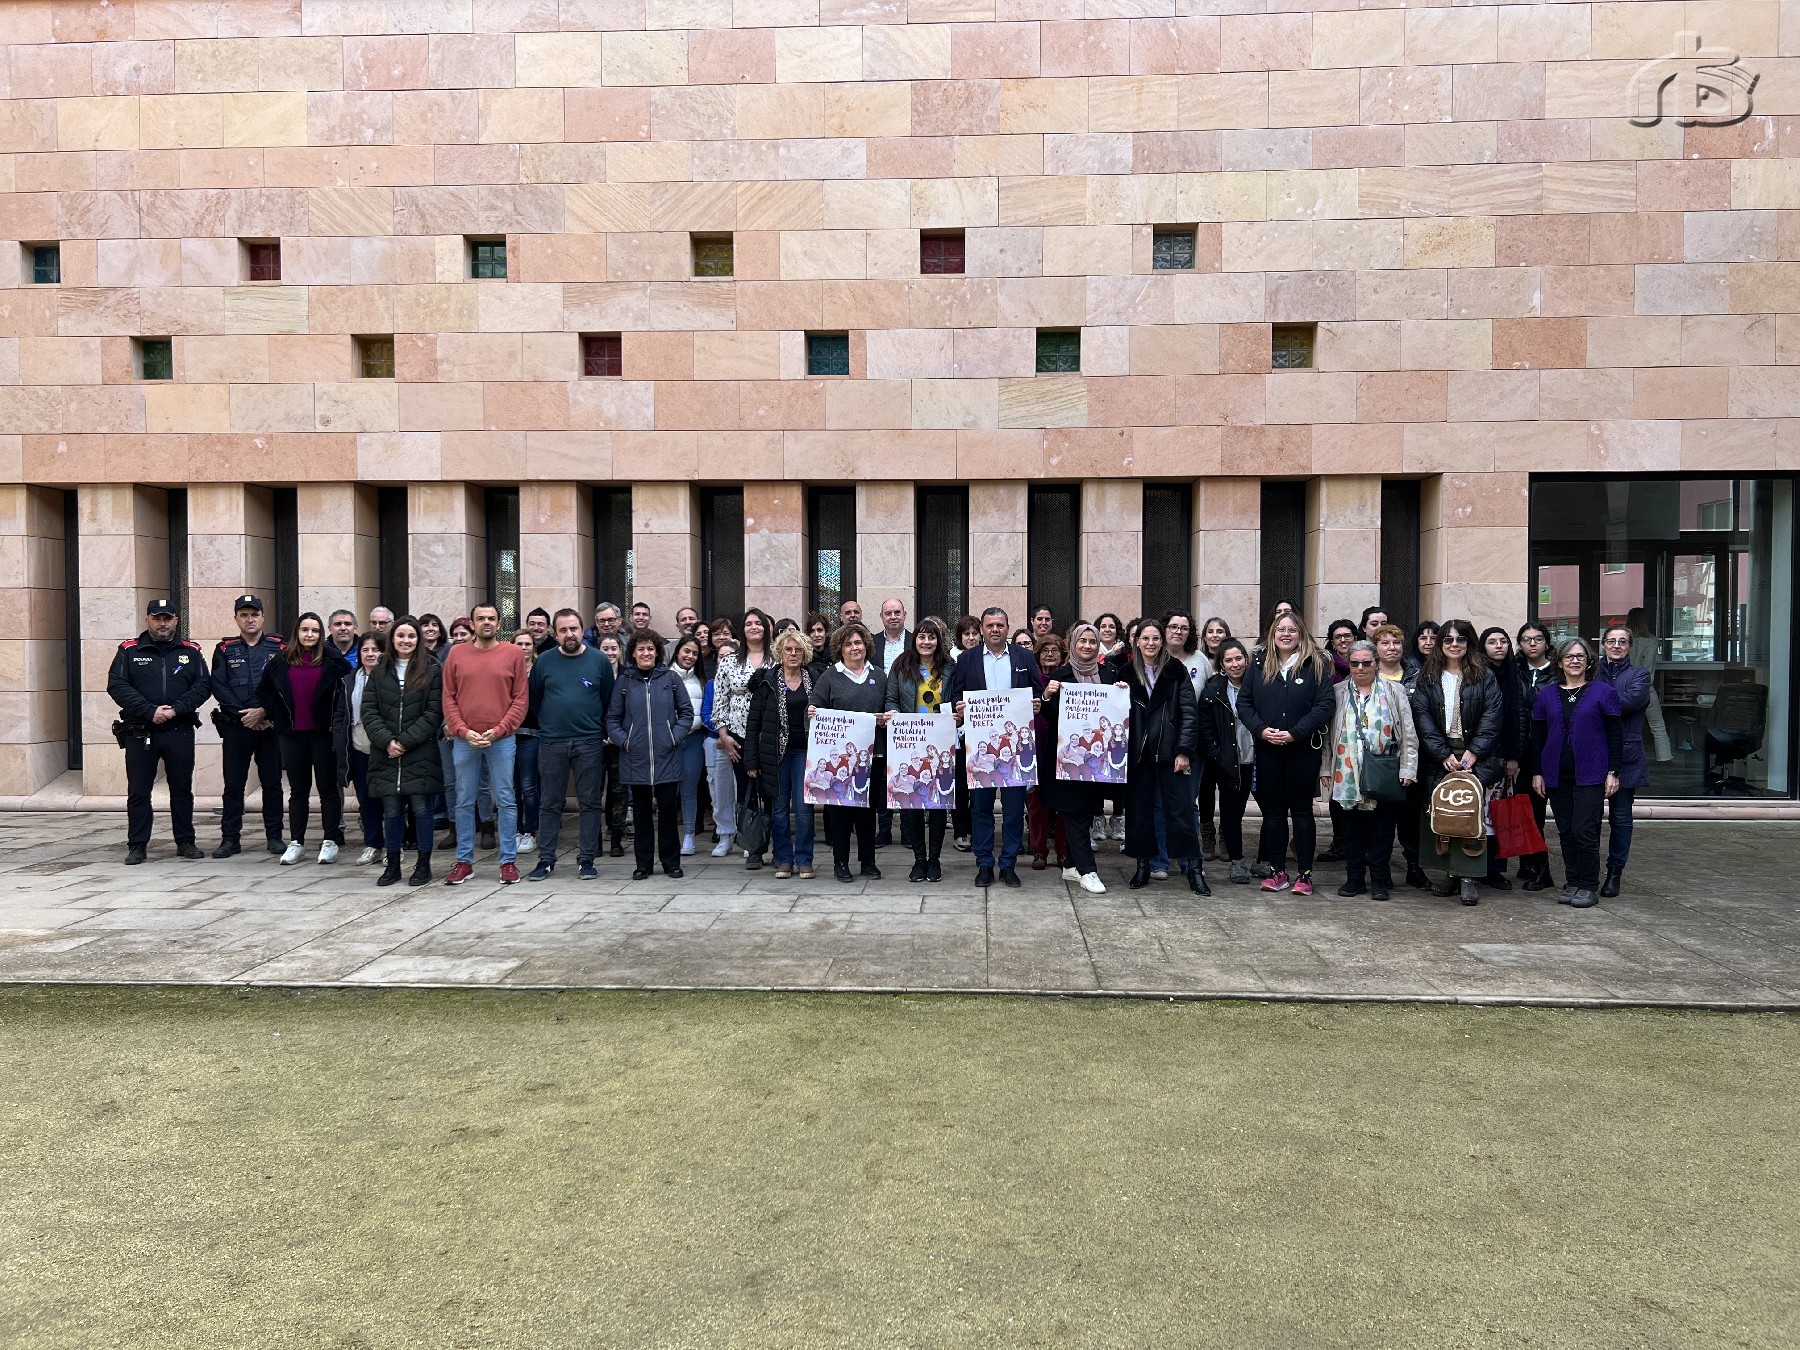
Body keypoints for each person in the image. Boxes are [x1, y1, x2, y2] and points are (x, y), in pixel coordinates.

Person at [1235, 611, 1335, 895]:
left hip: (1302, 750)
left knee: (1302, 812)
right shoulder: (1259, 663)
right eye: (1281, 629)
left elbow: (1325, 705)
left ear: (1301, 633)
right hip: (1268, 749)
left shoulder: (1315, 664)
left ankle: (1305, 874)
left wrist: (1296, 732)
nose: (1286, 634)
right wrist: (1261, 730)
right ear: (1273, 634)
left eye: (1292, 629)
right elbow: (1244, 703)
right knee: (1273, 812)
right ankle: (1277, 871)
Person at [108, 598, 211, 864]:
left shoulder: (191, 651)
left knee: (182, 789)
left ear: (176, 620)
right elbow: (117, 685)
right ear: (147, 620)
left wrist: (176, 709)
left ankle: (185, 841)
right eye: (157, 618)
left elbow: (203, 686)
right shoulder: (129, 651)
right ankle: (137, 845)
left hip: (179, 729)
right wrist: (149, 710)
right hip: (141, 731)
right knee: (139, 791)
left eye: (167, 618)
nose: (162, 624)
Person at [1410, 618, 1504, 906]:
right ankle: (1450, 874)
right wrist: (1442, 754)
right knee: (1443, 813)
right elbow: (1422, 717)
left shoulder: (1484, 675)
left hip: (1475, 753)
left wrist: (1474, 752)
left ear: (1469, 642)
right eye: (1448, 639)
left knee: (1469, 814)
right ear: (1440, 644)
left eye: (1460, 639)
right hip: (1439, 755)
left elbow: (1492, 714)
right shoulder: (1427, 676)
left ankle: (1469, 878)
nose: (1454, 644)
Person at [947, 607, 1042, 888]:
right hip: (981, 748)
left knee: (1013, 810)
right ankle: (984, 864)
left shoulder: (1024, 657)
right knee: (981, 808)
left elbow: (1036, 691)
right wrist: (959, 707)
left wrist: (1037, 703)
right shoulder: (967, 659)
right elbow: (956, 694)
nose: (995, 630)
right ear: (982, 629)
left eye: (1000, 625)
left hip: (1014, 749)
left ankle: (1009, 864)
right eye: (990, 625)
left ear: (1008, 628)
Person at [1321, 640, 1419, 900]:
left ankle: (1379, 879)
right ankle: (1354, 879)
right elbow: (1327, 735)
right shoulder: (1338, 691)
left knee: (1382, 830)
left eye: (1366, 662)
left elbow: (1408, 732)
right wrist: (1325, 768)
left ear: (1376, 663)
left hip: (1384, 771)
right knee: (1351, 829)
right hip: (1346, 772)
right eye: (1355, 663)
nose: (1361, 668)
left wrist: (1408, 769)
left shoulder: (1394, 690)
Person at [1529, 637, 1622, 909]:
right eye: (1569, 656)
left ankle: (1588, 885)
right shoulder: (1545, 695)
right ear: (1559, 662)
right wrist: (1537, 772)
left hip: (1592, 773)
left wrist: (1613, 771)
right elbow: (1538, 738)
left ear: (1589, 661)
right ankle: (1572, 882)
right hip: (1556, 774)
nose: (1575, 661)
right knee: (1566, 830)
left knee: (1584, 830)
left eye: (1580, 656)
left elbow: (1616, 736)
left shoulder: (1604, 692)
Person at [440, 602, 530, 886]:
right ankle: (464, 862)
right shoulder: (456, 654)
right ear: (472, 624)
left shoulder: (513, 653)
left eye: (491, 618)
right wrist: (463, 731)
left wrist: (500, 730)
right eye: (481, 618)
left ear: (499, 623)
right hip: (465, 740)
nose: (486, 622)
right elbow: (449, 697)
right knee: (464, 800)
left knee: (505, 799)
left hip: (501, 739)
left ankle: (508, 861)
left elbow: (520, 698)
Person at [257, 611, 352, 866]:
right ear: (297, 633)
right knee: (298, 791)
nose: (310, 635)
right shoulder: (280, 661)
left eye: (315, 630)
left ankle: (330, 840)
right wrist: (276, 713)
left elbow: (347, 684)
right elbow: (263, 690)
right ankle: (296, 842)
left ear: (321, 634)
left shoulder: (333, 660)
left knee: (328, 789)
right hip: (292, 735)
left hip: (323, 734)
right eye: (305, 630)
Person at [1121, 619, 1207, 895]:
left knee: (1182, 812)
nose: (1150, 643)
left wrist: (1184, 750)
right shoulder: (1125, 673)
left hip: (1171, 752)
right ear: (1137, 642)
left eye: (1155, 638)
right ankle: (1143, 866)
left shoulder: (1175, 670)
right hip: (1138, 755)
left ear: (1162, 641)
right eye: (1145, 638)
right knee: (1140, 813)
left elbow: (1189, 713)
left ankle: (1194, 869)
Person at [526, 609, 613, 882]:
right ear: (555, 633)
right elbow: (535, 698)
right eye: (563, 630)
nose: (569, 634)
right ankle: (546, 859)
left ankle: (586, 859)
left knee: (590, 802)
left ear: (582, 629)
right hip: (552, 742)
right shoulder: (544, 662)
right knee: (550, 802)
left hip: (589, 742)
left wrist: (601, 731)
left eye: (574, 628)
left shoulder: (599, 660)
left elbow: (608, 699)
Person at [360, 617, 444, 887]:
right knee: (392, 812)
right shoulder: (379, 670)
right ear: (392, 639)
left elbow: (434, 712)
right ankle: (393, 864)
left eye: (411, 636)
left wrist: (405, 742)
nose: (405, 641)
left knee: (422, 810)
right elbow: (369, 710)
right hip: (386, 754)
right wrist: (387, 741)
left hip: (420, 753)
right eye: (400, 636)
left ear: (418, 640)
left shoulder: (432, 669)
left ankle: (423, 865)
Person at [604, 629, 693, 880]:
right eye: (641, 649)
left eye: (650, 649)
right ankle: (643, 864)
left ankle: (671, 862)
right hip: (636, 757)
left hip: (667, 755)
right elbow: (612, 718)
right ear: (633, 653)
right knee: (642, 814)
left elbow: (686, 713)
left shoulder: (671, 679)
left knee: (667, 811)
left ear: (657, 652)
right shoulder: (624, 682)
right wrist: (625, 741)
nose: (646, 653)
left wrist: (674, 736)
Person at [811, 622, 891, 883]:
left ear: (866, 645)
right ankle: (841, 863)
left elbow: (889, 706)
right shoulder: (830, 676)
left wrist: (887, 718)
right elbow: (816, 707)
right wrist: (812, 712)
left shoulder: (879, 676)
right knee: (840, 812)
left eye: (858, 642)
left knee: (867, 810)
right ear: (840, 649)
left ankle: (868, 862)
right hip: (840, 760)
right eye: (848, 644)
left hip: (872, 756)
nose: (854, 648)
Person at [1039, 623, 1116, 894]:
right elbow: (1051, 717)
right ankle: (1088, 870)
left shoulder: (1108, 675)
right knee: (1075, 812)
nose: (1087, 646)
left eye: (1092, 641)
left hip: (1096, 761)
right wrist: (1047, 696)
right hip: (1069, 760)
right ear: (1072, 644)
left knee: (1085, 810)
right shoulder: (1061, 676)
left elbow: (1117, 714)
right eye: (1082, 641)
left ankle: (1071, 865)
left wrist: (1121, 692)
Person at [208, 593, 285, 858]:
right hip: (236, 727)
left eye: (254, 615)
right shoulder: (224, 649)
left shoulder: (279, 648)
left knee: (272, 783)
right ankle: (230, 839)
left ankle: (275, 837)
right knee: (233, 785)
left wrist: (263, 713)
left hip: (269, 727)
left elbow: (284, 686)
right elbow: (218, 685)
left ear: (263, 617)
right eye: (244, 615)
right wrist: (246, 716)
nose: (250, 619)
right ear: (236, 618)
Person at [882, 618, 952, 882]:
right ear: (915, 640)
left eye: (931, 637)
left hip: (941, 744)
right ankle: (919, 860)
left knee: (938, 804)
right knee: (911, 803)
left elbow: (957, 698)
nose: (926, 642)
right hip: (909, 743)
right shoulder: (901, 666)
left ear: (938, 641)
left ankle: (934, 860)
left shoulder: (949, 668)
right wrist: (893, 713)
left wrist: (957, 712)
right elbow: (891, 698)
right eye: (922, 637)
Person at [745, 629, 816, 879]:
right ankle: (784, 859)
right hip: (776, 754)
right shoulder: (766, 683)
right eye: (788, 649)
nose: (793, 654)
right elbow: (753, 724)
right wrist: (751, 761)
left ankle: (804, 859)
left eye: (798, 650)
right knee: (778, 808)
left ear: (805, 653)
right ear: (780, 653)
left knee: (804, 809)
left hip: (806, 752)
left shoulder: (815, 679)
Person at [1370, 623, 1429, 889]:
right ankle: (1379, 870)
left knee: (1410, 818)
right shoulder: (1368, 675)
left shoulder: (1419, 675)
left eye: (1396, 643)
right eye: (1385, 643)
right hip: (1380, 759)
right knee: (1379, 820)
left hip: (1413, 754)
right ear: (1376, 648)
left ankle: (1414, 868)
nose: (1391, 648)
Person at [712, 608, 772, 869]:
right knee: (747, 791)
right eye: (749, 623)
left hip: (771, 735)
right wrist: (724, 735)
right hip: (739, 737)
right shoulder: (730, 661)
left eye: (759, 623)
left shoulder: (777, 658)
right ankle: (753, 846)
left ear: (766, 628)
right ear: (743, 629)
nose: (754, 627)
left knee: (771, 792)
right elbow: (720, 700)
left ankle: (776, 846)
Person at [1595, 624, 1652, 897]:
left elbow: (1630, 702)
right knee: (1589, 819)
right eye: (1611, 641)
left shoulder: (1639, 675)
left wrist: (1594, 699)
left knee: (1620, 818)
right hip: (1592, 754)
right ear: (1603, 645)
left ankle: (1614, 872)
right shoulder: (1592, 672)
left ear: (1629, 646)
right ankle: (1588, 871)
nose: (1616, 646)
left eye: (1622, 642)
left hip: (1627, 756)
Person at [1196, 638, 1256, 885]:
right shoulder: (1213, 690)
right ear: (1221, 664)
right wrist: (1217, 754)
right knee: (1232, 813)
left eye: (1238, 658)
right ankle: (1237, 861)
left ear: (1246, 659)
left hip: (1256, 758)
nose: (1235, 664)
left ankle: (1265, 859)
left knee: (1270, 810)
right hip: (1229, 760)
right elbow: (1204, 727)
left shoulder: (1259, 684)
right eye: (1228, 660)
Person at [1513, 622, 1560, 891]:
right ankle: (1529, 864)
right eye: (1526, 639)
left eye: (1538, 638)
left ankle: (1542, 870)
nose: (1532, 643)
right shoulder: (1514, 670)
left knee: (1541, 812)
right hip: (1522, 749)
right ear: (1519, 644)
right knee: (1525, 811)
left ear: (1546, 642)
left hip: (1551, 748)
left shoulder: (1557, 672)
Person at [1480, 626, 1521, 891]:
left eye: (1503, 641)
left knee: (1499, 815)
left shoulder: (1514, 674)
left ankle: (1495, 870)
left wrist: (1514, 757)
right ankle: (1475, 866)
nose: (1498, 646)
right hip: (1480, 756)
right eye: (1492, 642)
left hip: (1505, 757)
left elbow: (1517, 718)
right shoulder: (1478, 674)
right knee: (1478, 815)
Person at [1026, 633, 1069, 871]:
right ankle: (1039, 850)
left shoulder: (1068, 679)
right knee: (1036, 803)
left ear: (1063, 655)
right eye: (1045, 650)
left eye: (1054, 651)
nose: (1050, 654)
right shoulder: (1031, 679)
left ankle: (1063, 851)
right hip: (1036, 747)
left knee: (1063, 803)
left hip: (1062, 749)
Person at [870, 598, 910, 847]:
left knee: (906, 773)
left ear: (905, 614)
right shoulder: (871, 643)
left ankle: (907, 830)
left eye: (897, 612)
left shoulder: (916, 642)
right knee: (882, 776)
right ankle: (884, 829)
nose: (893, 616)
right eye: (888, 613)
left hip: (907, 720)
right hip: (879, 720)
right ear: (882, 616)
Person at [345, 631, 387, 865]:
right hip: (359, 747)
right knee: (366, 800)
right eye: (365, 650)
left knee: (390, 801)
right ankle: (372, 844)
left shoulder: (390, 678)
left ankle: (394, 846)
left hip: (386, 749)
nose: (370, 654)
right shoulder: (350, 679)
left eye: (375, 649)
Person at [670, 634, 709, 856]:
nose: (690, 656)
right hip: (668, 741)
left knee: (689, 789)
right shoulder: (665, 676)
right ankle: (668, 835)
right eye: (686, 651)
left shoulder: (700, 679)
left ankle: (689, 836)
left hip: (694, 740)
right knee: (668, 790)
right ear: (677, 652)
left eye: (695, 653)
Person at [702, 631, 739, 858]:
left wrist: (731, 734)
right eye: (721, 657)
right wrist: (721, 734)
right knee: (719, 792)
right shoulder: (711, 685)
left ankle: (745, 835)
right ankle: (725, 834)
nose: (724, 660)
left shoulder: (745, 683)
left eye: (729, 656)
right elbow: (707, 713)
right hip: (716, 743)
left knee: (741, 791)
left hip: (740, 743)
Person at [948, 616, 982, 851]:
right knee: (960, 784)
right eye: (966, 634)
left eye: (974, 633)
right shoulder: (951, 661)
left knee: (979, 784)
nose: (971, 638)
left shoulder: (987, 658)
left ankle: (977, 828)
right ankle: (961, 830)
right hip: (959, 728)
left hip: (984, 729)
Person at [1626, 607, 1674, 762]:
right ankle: (1664, 758)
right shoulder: (1652, 641)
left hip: (1626, 690)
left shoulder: (1623, 640)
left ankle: (1623, 758)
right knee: (1658, 726)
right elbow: (1650, 666)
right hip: (1646, 689)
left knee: (1624, 727)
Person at [510, 629, 541, 858]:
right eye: (519, 643)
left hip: (532, 734)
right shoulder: (506, 669)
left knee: (529, 785)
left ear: (533, 647)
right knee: (511, 787)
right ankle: (514, 831)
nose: (523, 648)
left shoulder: (539, 670)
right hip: (507, 734)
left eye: (527, 644)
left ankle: (530, 830)